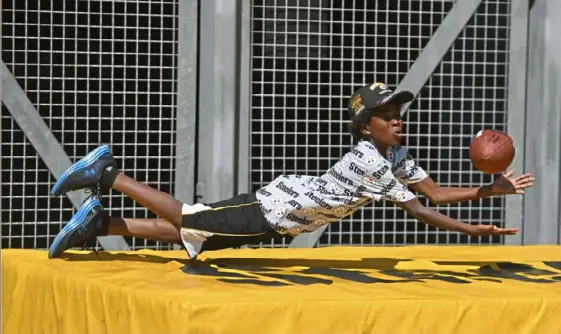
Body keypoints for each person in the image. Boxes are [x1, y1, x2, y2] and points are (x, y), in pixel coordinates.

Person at [47, 82, 535, 259]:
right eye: (389, 116)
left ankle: (101, 223)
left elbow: (435, 194)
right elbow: (423, 213)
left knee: (195, 235)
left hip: (283, 220)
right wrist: (474, 230)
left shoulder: (397, 158)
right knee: (192, 217)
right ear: (367, 128)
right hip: (274, 206)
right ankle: (109, 174)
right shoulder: (370, 162)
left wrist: (490, 190)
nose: (398, 120)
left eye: (399, 113)